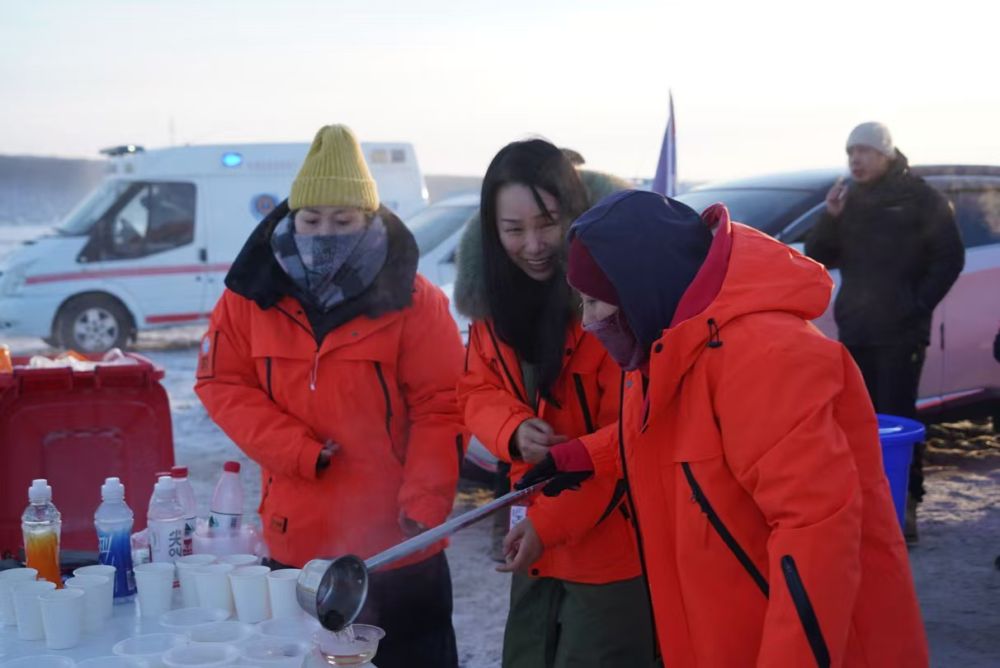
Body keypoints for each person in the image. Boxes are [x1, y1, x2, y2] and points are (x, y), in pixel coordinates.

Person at [509, 190, 929, 666]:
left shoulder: (768, 358)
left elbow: (817, 537)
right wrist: (582, 456)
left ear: (639, 290)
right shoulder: (663, 347)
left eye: (593, 302)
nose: (586, 323)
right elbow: (667, 438)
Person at [195, 124, 465, 668]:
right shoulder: (250, 297)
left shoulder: (415, 300)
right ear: (290, 218)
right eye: (312, 220)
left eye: (343, 221)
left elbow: (442, 406)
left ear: (370, 218)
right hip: (296, 547)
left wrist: (425, 502)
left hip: (399, 548)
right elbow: (221, 382)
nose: (325, 234)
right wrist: (294, 449)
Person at [455, 139, 656, 667]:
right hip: (533, 536)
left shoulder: (612, 305)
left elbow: (635, 433)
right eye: (513, 229)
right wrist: (512, 428)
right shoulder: (492, 304)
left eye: (548, 223)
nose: (533, 245)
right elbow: (475, 389)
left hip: (613, 545)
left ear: (575, 212)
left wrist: (548, 526)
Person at [805, 122, 965, 542]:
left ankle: (905, 504)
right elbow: (819, 254)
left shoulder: (920, 198)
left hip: (901, 333)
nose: (855, 160)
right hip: (856, 328)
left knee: (897, 417)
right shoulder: (849, 199)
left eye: (864, 151)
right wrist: (830, 217)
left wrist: (915, 306)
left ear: (886, 154)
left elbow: (950, 258)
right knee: (858, 420)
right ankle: (866, 506)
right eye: (850, 152)